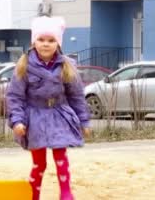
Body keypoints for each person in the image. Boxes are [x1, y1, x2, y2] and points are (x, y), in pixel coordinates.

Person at [5, 16, 91, 200]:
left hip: (59, 114)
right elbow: (15, 96)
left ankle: (66, 193)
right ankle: (33, 195)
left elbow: (76, 95)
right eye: (41, 40)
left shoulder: (66, 66)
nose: (46, 44)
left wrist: (83, 121)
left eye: (51, 40)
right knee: (39, 163)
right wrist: (17, 121)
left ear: (58, 43)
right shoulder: (24, 66)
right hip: (34, 117)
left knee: (60, 153)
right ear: (33, 42)